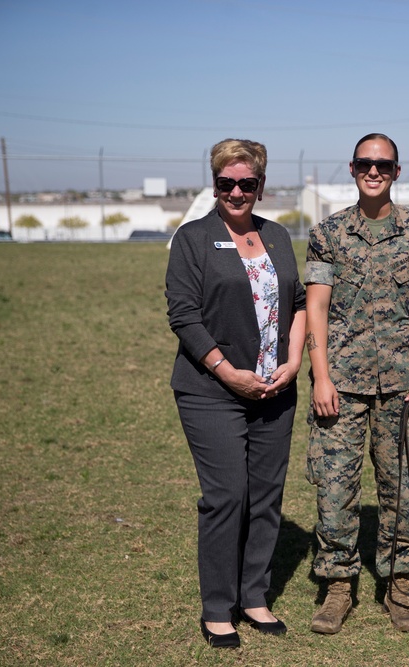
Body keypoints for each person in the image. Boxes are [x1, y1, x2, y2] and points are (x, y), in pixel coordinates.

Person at [304, 133, 409, 634]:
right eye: (366, 163)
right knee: (335, 488)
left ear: (396, 170)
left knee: (404, 486)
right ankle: (338, 586)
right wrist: (320, 376)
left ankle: (400, 584)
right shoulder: (328, 233)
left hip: (406, 386)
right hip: (340, 385)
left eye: (383, 164)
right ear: (351, 168)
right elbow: (316, 307)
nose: (374, 171)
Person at [165, 138, 306, 648]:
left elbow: (298, 303)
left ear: (261, 186)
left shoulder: (279, 236)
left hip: (275, 388)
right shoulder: (194, 239)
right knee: (227, 496)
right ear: (215, 183)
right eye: (227, 183)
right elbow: (183, 315)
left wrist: (293, 363)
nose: (237, 191)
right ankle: (217, 607)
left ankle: (254, 596)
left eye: (247, 183)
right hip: (212, 390)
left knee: (266, 498)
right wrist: (229, 374)